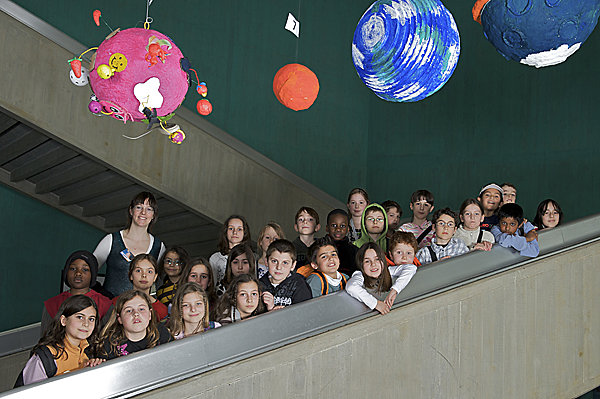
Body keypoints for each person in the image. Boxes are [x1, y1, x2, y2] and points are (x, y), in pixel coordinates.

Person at [16, 296, 103, 387]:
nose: (86, 324)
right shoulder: (46, 356)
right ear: (64, 320)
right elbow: (31, 394)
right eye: (80, 317)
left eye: (91, 319)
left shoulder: (91, 351)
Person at [93, 192, 165, 298]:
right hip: (111, 308)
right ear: (131, 211)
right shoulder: (112, 240)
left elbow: (160, 282)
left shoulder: (159, 246)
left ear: (153, 215)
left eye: (149, 209)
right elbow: (89, 271)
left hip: (142, 310)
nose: (143, 212)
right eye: (139, 207)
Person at [42, 250, 112, 335]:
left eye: (85, 269)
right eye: (73, 269)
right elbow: (45, 338)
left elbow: (106, 338)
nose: (78, 273)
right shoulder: (52, 304)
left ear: (92, 275)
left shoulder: (105, 304)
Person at [97, 290, 172, 359]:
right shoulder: (109, 345)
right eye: (129, 310)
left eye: (141, 309)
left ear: (150, 314)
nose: (136, 313)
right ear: (119, 318)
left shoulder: (161, 333)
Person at [346, 242, 416, 314]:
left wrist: (395, 290)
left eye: (377, 259)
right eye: (367, 261)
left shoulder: (388, 271)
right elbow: (351, 287)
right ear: (361, 264)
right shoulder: (359, 275)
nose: (373, 264)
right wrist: (376, 304)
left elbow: (411, 268)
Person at [106, 254, 168, 322]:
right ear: (131, 275)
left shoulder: (161, 310)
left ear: (155, 277)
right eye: (138, 271)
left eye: (149, 271)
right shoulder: (117, 303)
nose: (144, 275)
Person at [259, 239, 312, 310]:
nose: (279, 267)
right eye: (274, 261)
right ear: (266, 261)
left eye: (285, 263)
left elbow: (305, 314)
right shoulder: (259, 285)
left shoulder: (299, 285)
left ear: (293, 265)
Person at [209, 215, 251, 284]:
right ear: (226, 231)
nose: (235, 232)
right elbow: (212, 285)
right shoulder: (215, 258)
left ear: (245, 233)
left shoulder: (251, 256)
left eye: (239, 229)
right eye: (231, 228)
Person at [324, 209, 358, 276]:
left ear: (348, 229)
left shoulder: (355, 251)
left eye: (342, 226)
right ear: (327, 228)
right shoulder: (318, 248)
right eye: (334, 225)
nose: (338, 229)